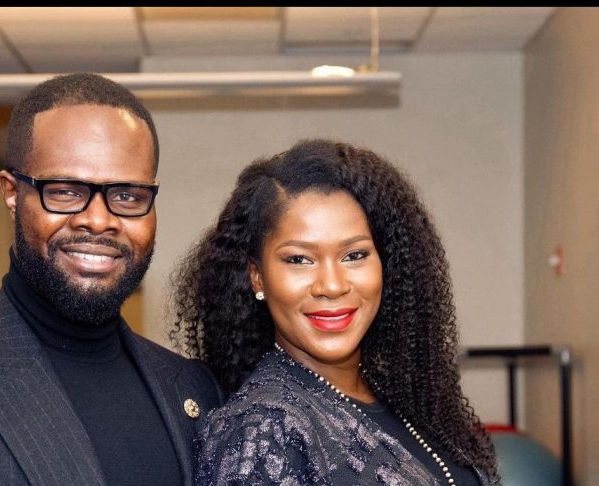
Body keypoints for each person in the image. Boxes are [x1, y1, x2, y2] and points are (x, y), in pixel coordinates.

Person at [0, 73, 222, 486]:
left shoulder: (191, 388)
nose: (97, 220)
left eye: (127, 196)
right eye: (65, 191)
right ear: (12, 193)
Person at [171, 139, 499, 485]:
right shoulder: (262, 430)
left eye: (354, 255)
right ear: (257, 277)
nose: (331, 285)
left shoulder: (408, 398)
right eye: (299, 259)